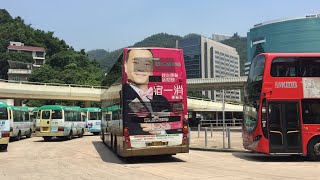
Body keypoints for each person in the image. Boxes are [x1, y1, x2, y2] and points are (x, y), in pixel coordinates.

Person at [122, 49, 172, 135]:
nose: (141, 69)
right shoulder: (124, 95)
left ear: (152, 69)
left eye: (146, 64)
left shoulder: (162, 100)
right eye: (136, 63)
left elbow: (174, 125)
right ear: (125, 67)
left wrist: (161, 131)